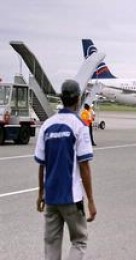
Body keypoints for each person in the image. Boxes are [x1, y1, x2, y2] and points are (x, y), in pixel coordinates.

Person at [34, 79, 97, 260]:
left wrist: (41, 194)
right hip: (72, 198)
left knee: (51, 245)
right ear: (78, 99)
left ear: (61, 98)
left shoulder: (46, 125)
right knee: (79, 240)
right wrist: (91, 200)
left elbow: (42, 164)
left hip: (51, 198)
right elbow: (84, 166)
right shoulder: (79, 126)